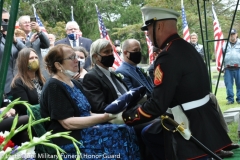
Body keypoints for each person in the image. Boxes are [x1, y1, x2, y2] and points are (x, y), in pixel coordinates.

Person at [122, 6, 232, 160]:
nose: (147, 34)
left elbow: (157, 105)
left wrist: (126, 117)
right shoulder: (187, 48)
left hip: (188, 124)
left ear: (158, 26)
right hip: (206, 119)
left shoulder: (168, 57)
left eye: (148, 29)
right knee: (149, 133)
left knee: (148, 134)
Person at [40, 44, 140, 159]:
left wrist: (111, 116)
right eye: (71, 57)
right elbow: (67, 123)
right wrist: (105, 118)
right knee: (119, 132)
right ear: (58, 65)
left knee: (126, 127)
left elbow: (88, 113)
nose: (76, 60)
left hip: (84, 130)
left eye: (76, 57)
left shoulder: (75, 83)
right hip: (69, 139)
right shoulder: (54, 86)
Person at [82, 39, 156, 160]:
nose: (111, 55)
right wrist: (124, 107)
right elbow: (99, 107)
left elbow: (127, 94)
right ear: (96, 56)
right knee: (156, 125)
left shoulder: (112, 73)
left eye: (112, 51)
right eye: (106, 52)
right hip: (117, 118)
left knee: (161, 118)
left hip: (132, 111)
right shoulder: (91, 77)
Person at [11, 48, 45, 116]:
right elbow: (26, 108)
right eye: (31, 58)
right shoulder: (18, 83)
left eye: (36, 57)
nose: (34, 60)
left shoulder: (41, 79)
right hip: (31, 119)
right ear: (23, 62)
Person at [0, 9, 26, 98]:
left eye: (7, 21)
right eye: (2, 20)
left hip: (17, 84)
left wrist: (15, 41)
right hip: (3, 87)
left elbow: (27, 53)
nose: (4, 23)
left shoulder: (12, 37)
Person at [18, 15, 50, 80]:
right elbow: (20, 50)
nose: (28, 24)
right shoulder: (16, 37)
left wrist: (38, 30)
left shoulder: (37, 35)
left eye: (29, 22)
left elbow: (47, 45)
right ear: (20, 26)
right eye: (25, 22)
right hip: (24, 73)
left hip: (39, 71)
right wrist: (30, 42)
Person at [222, 28, 240, 105]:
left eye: (233, 34)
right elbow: (221, 56)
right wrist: (222, 67)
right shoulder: (224, 45)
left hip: (238, 67)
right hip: (228, 68)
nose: (232, 36)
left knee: (239, 84)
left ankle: (239, 99)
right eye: (231, 34)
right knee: (228, 85)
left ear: (236, 35)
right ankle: (230, 99)